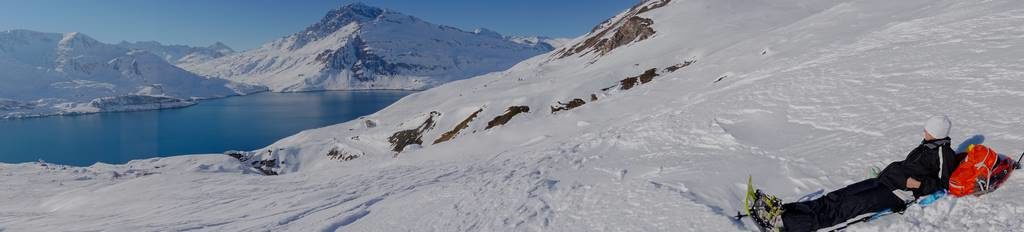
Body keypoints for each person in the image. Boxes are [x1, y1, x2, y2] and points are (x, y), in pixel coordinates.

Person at [755, 116, 959, 232]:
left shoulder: (943, 153)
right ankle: (784, 211)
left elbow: (943, 183)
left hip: (896, 194)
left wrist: (918, 186)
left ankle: (785, 225)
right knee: (833, 198)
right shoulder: (927, 146)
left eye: (927, 128)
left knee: (842, 208)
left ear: (936, 132)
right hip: (883, 182)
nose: (924, 130)